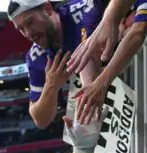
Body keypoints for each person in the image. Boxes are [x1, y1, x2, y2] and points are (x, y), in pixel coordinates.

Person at [68, 0, 147, 124]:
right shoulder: (93, 7)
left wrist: (102, 82)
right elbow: (90, 51)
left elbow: (138, 31)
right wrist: (87, 100)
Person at [9, 0, 105, 129]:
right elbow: (40, 121)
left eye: (30, 22)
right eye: (21, 29)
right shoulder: (36, 57)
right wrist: (51, 87)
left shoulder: (84, 10)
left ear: (48, 9)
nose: (28, 33)